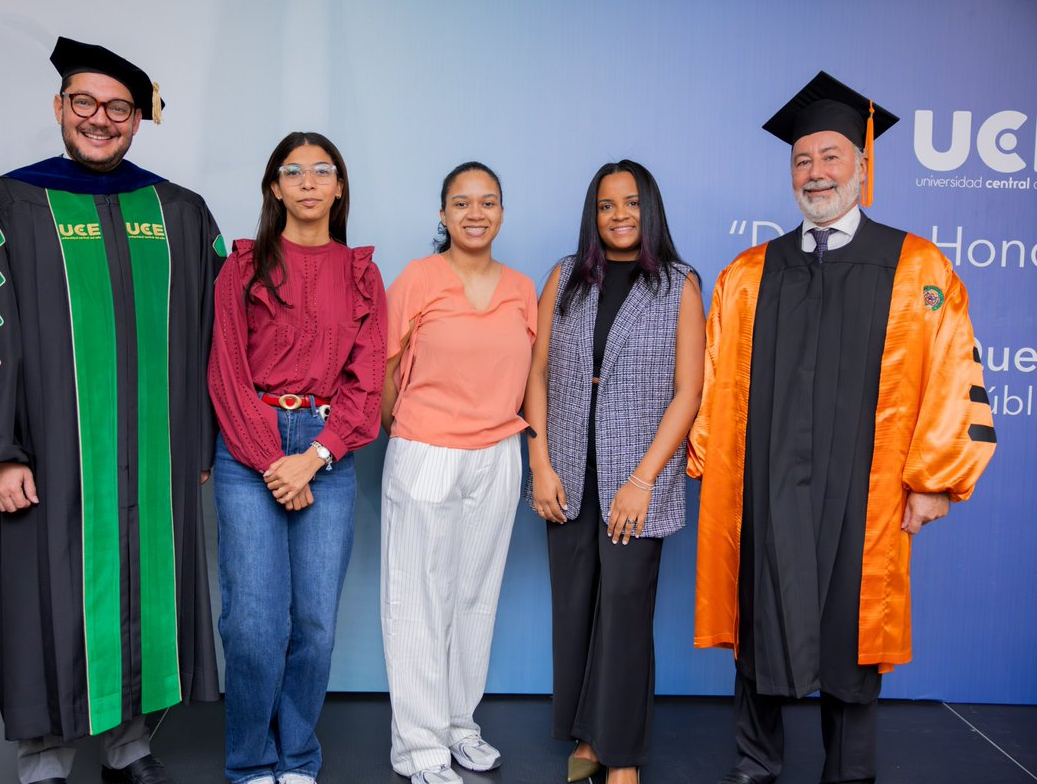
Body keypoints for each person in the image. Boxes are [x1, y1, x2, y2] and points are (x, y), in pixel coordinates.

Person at [0, 37, 223, 784]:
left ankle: (129, 745)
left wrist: (203, 443)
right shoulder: (4, 203)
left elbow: (217, 334)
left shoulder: (177, 210)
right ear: (59, 108)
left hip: (159, 457)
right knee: (51, 598)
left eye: (118, 107)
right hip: (50, 458)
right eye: (85, 103)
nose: (100, 119)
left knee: (149, 595)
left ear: (139, 119)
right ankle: (43, 757)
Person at [689, 72, 996, 784]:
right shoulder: (749, 273)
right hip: (768, 483)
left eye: (831, 156)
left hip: (870, 488)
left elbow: (955, 373)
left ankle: (849, 770)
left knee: (854, 630)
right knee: (761, 615)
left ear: (862, 164)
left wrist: (935, 481)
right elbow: (717, 384)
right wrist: (713, 463)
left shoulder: (918, 266)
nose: (816, 172)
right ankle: (756, 759)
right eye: (803, 160)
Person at [208, 131, 386, 784]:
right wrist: (267, 457)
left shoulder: (363, 273)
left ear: (338, 187)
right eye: (293, 170)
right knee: (254, 620)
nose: (308, 181)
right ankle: (252, 759)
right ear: (275, 187)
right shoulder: (242, 266)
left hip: (324, 449)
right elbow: (225, 372)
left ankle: (298, 755)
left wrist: (312, 456)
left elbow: (366, 385)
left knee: (314, 620)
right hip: (247, 444)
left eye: (322, 170)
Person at [524, 161, 704, 784]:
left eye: (631, 203)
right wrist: (539, 460)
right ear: (592, 214)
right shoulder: (565, 277)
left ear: (649, 209)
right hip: (568, 469)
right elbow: (537, 373)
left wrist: (644, 480)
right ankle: (587, 739)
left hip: (638, 474)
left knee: (625, 611)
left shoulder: (679, 283)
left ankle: (621, 754)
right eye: (606, 205)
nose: (619, 215)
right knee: (575, 607)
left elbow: (688, 391)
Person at [380, 162, 538, 784]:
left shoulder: (523, 288)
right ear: (442, 215)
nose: (476, 213)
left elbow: (533, 377)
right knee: (416, 600)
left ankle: (457, 728)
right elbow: (386, 371)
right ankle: (418, 749)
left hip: (498, 453)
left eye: (488, 202)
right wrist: (409, 431)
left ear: (502, 211)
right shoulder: (418, 279)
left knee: (475, 597)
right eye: (462, 203)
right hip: (425, 450)